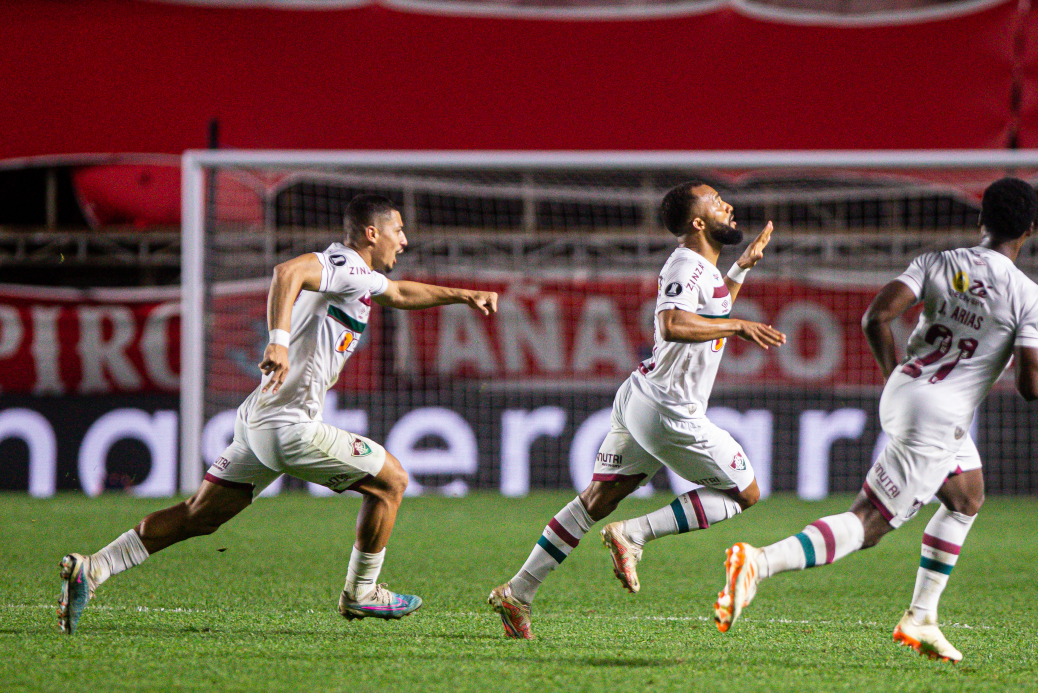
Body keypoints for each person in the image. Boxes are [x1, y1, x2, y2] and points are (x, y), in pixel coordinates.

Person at [58, 194, 499, 634]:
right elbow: (287, 272)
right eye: (397, 230)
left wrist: (463, 294)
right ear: (372, 233)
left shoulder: (359, 276)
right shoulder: (343, 266)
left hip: (259, 423)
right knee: (392, 482)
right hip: (290, 427)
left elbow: (401, 292)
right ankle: (361, 592)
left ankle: (94, 567)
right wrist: (278, 341)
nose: (403, 240)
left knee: (200, 515)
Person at [712, 177, 1038, 664]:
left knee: (966, 497)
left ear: (981, 219)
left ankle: (921, 618)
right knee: (869, 524)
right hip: (939, 415)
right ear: (1029, 229)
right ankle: (758, 562)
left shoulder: (938, 262)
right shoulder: (1032, 298)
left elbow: (875, 318)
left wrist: (895, 377)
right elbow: (1033, 387)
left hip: (905, 387)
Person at [487, 181, 787, 639]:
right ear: (698, 222)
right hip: (670, 411)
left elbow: (708, 310)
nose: (728, 204)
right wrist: (741, 325)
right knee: (745, 494)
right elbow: (672, 324)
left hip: (641, 398)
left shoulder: (705, 270)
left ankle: (518, 592)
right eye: (715, 201)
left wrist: (741, 271)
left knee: (595, 501)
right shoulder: (685, 264)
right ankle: (636, 534)